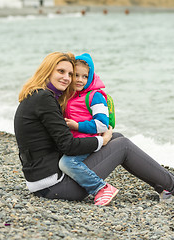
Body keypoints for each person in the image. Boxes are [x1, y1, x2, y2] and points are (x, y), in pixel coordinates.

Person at [14, 51, 174, 206]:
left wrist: (107, 138)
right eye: (61, 72)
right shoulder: (45, 99)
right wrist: (102, 140)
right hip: (55, 186)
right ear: (47, 70)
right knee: (121, 145)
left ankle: (165, 188)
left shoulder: (36, 96)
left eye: (70, 74)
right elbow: (67, 145)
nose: (67, 78)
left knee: (118, 137)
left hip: (44, 180)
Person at [59, 53, 119, 205]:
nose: (80, 80)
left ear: (91, 76)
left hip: (90, 141)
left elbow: (102, 125)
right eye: (76, 75)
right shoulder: (70, 96)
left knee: (66, 163)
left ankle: (101, 188)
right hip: (75, 142)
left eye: (84, 76)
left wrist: (77, 126)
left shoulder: (95, 96)